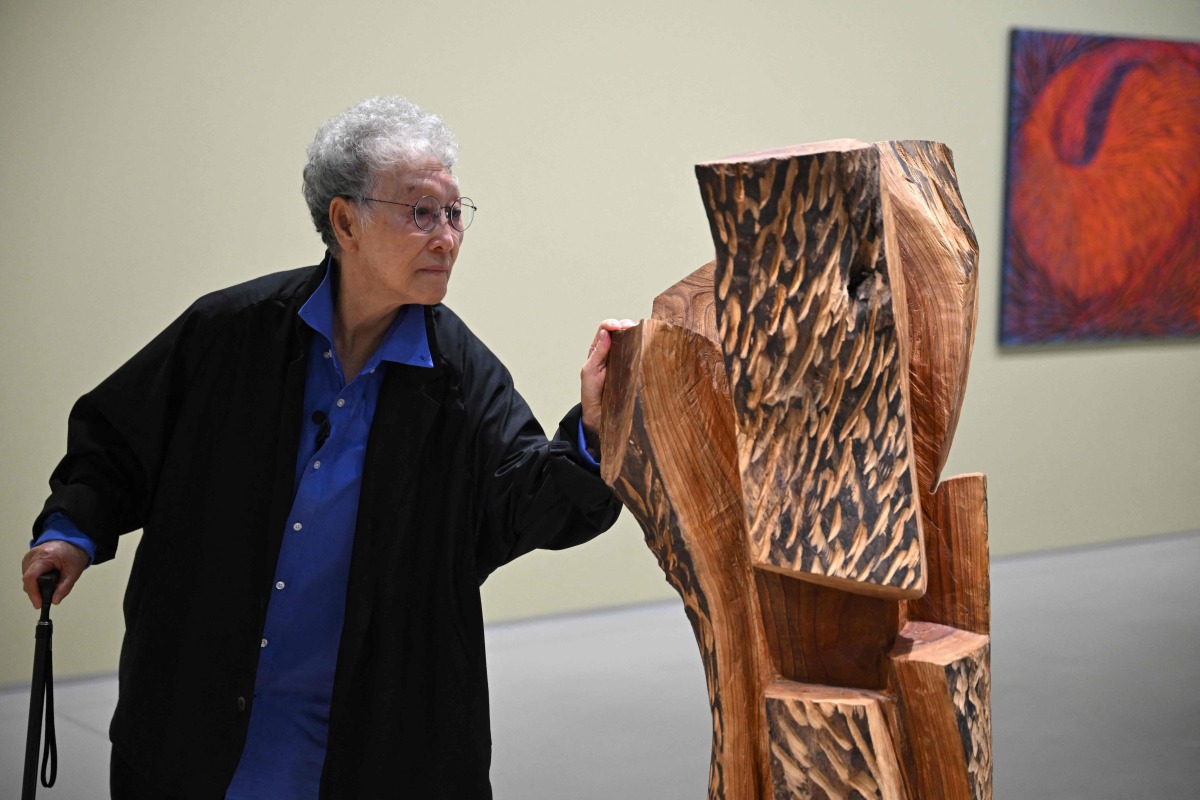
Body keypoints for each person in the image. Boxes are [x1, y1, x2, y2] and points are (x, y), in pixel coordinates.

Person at [20, 96, 632, 799]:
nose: (447, 238)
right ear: (345, 222)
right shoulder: (230, 332)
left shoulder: (459, 374)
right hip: (199, 720)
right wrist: (71, 529)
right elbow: (117, 442)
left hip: (373, 739)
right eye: (421, 212)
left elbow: (522, 499)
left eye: (454, 213)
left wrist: (596, 430)